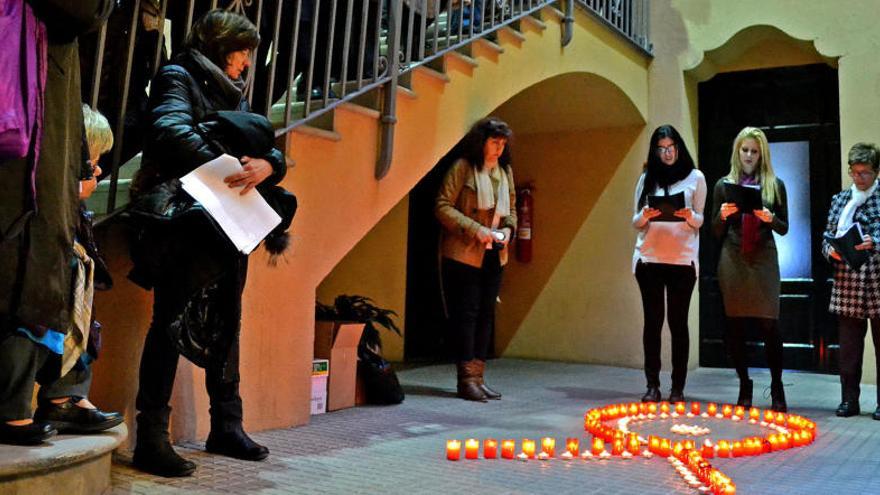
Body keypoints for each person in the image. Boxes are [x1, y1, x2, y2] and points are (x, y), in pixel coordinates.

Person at [130, 9, 287, 477]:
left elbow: (264, 143)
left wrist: (267, 167)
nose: (246, 63)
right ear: (224, 47)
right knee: (169, 322)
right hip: (186, 219)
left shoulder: (229, 88)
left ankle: (226, 425)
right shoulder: (179, 74)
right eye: (242, 52)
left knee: (227, 319)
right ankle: (151, 437)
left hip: (224, 219)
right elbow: (170, 130)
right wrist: (226, 172)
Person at [0, 0, 115, 446]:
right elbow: (83, 10)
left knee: (58, 271)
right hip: (25, 132)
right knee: (32, 272)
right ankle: (18, 407)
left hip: (30, 125)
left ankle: (60, 396)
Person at [435, 117, 516, 402]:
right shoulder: (463, 168)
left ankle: (479, 376)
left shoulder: (505, 171)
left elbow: (512, 211)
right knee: (466, 315)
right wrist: (475, 229)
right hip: (465, 253)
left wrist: (507, 230)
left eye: (503, 143)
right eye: (494, 142)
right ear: (482, 142)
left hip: (495, 252)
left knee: (486, 314)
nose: (499, 148)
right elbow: (442, 206)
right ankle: (465, 378)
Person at [712, 126, 789, 412]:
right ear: (737, 151)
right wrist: (721, 216)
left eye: (754, 151)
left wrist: (770, 218)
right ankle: (744, 384)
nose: (748, 155)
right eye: (744, 150)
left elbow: (784, 227)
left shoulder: (774, 184)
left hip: (764, 258)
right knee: (735, 325)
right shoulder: (723, 184)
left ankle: (777, 386)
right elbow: (714, 230)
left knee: (770, 324)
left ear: (762, 155)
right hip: (733, 257)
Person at [632, 125, 706, 404]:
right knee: (653, 323)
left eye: (671, 147)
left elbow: (700, 220)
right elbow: (635, 221)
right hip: (650, 258)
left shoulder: (696, 177)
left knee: (678, 323)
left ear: (679, 147)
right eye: (661, 149)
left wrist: (689, 215)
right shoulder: (646, 178)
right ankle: (652, 385)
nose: (667, 153)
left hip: (682, 260)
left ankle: (678, 387)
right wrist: (645, 215)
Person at [822, 143, 880, 419]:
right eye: (855, 172)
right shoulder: (840, 200)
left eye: (865, 173)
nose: (859, 178)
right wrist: (830, 249)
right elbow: (827, 236)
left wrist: (875, 242)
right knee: (849, 350)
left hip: (877, 280)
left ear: (876, 172)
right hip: (847, 282)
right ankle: (849, 400)